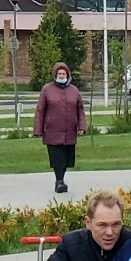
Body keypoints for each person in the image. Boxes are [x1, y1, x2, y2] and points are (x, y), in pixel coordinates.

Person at [34, 61, 86, 193]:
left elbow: (80, 109)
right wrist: (38, 129)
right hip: (53, 131)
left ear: (67, 75)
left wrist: (82, 126)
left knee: (67, 158)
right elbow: (40, 110)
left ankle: (61, 180)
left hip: (70, 131)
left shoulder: (74, 91)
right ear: (55, 75)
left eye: (63, 73)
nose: (61, 75)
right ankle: (59, 181)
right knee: (57, 157)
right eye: (59, 73)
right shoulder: (47, 90)